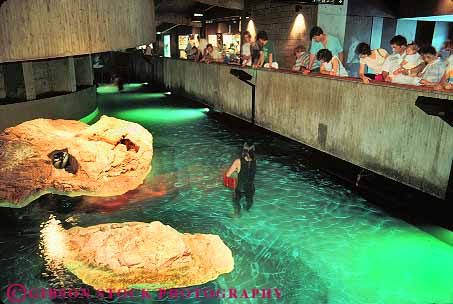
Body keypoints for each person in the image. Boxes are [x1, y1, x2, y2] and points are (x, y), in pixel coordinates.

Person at [225, 143, 257, 218]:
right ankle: (247, 209)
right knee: (249, 201)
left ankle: (237, 214)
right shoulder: (255, 161)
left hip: (240, 188)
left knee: (235, 201)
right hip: (251, 188)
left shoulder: (238, 161)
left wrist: (236, 172)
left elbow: (228, 175)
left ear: (244, 151)